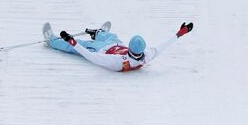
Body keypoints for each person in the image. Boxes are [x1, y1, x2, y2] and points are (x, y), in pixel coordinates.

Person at [42, 21, 193, 72]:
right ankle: (100, 33)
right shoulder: (146, 55)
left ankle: (52, 41)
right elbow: (162, 46)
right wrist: (180, 33)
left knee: (82, 46)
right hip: (115, 45)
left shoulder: (119, 62)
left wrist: (72, 41)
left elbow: (93, 57)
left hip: (100, 49)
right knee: (112, 37)